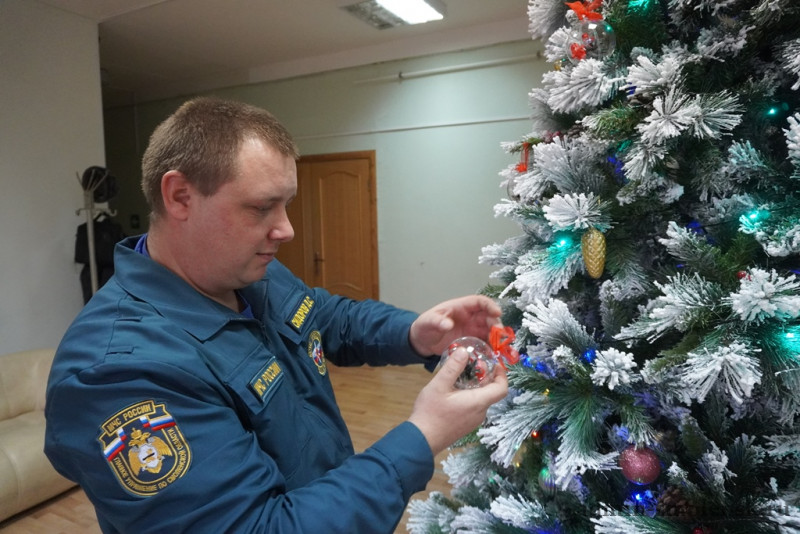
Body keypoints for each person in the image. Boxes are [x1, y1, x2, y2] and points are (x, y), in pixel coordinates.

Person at [44, 97, 508, 533]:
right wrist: (422, 436)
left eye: (286, 205)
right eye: (262, 208)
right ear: (180, 196)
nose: (286, 229)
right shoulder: (118, 375)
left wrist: (412, 334)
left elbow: (325, 316)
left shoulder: (246, 271)